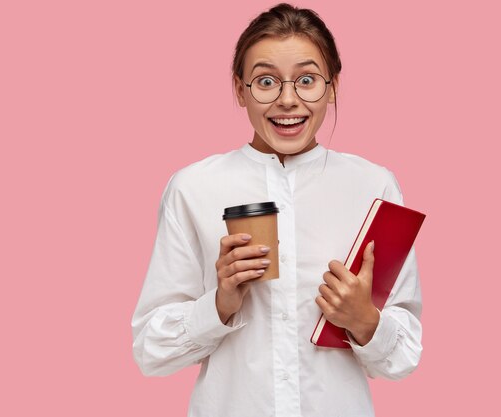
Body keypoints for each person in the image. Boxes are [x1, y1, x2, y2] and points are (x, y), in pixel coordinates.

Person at [132, 3, 422, 417]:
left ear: (333, 85)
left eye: (307, 80)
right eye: (266, 81)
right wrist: (220, 304)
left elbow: (405, 356)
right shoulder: (193, 188)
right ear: (240, 90)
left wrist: (365, 321)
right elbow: (150, 351)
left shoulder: (374, 187)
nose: (288, 101)